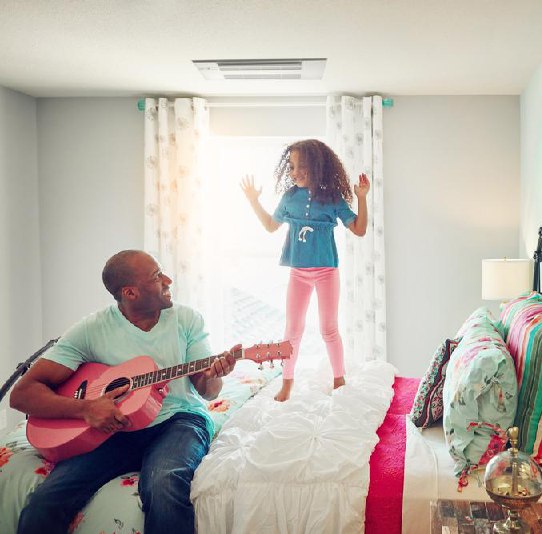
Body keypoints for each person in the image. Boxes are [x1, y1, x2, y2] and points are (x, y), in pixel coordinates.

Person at [9, 249, 238, 534]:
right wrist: (86, 409)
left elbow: (208, 391)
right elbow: (22, 394)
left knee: (164, 484)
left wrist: (214, 374)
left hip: (179, 420)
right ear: (130, 293)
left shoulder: (187, 320)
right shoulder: (92, 330)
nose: (168, 280)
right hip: (115, 431)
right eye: (157, 276)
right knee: (45, 501)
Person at [240, 139, 370, 402]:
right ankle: (287, 383)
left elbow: (359, 229)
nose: (295, 172)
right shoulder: (290, 198)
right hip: (298, 273)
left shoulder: (332, 198)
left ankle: (339, 379)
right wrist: (254, 201)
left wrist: (361, 198)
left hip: (326, 272)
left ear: (318, 167)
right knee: (292, 331)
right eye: (291, 167)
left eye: (302, 166)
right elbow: (270, 225)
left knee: (328, 329)